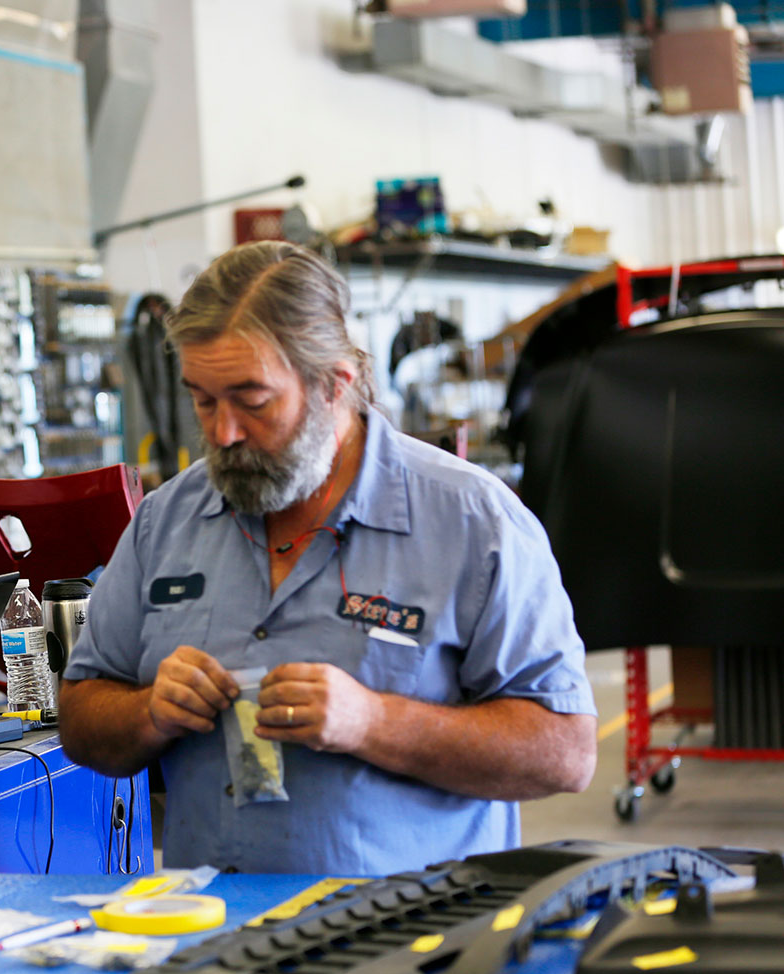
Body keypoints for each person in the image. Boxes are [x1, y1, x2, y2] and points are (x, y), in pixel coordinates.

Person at [59, 242, 597, 876]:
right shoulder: (165, 522)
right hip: (212, 938)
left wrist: (373, 722)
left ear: (334, 384)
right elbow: (81, 717)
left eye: (252, 400)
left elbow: (565, 752)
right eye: (203, 400)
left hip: (411, 941)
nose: (223, 433)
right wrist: (148, 710)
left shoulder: (474, 523)